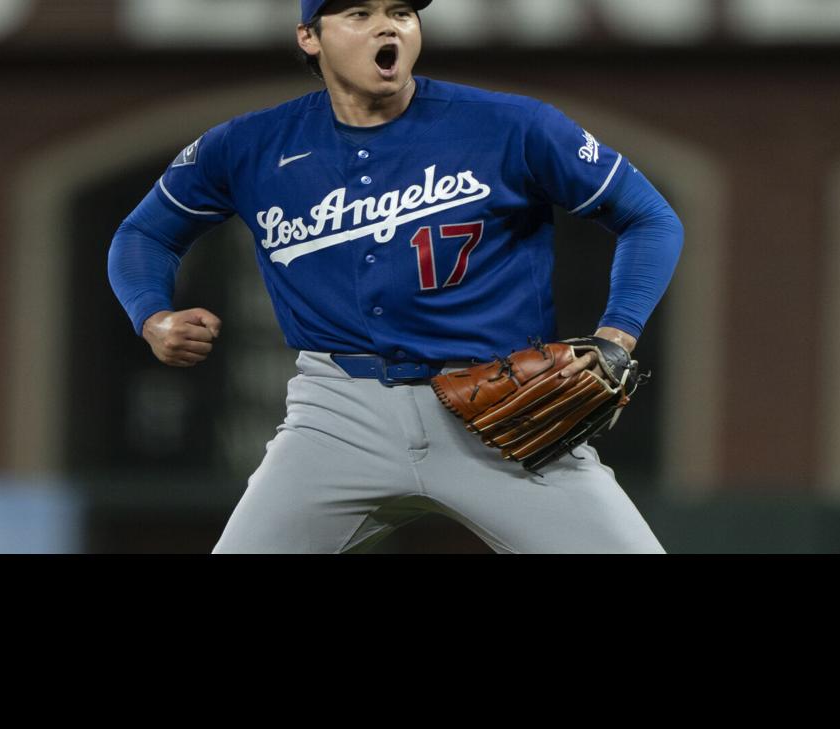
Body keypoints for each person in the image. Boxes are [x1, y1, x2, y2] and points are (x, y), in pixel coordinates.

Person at [107, 0, 683, 553]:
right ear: (309, 36)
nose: (387, 28)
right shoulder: (247, 145)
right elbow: (144, 234)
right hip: (336, 415)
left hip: (501, 407)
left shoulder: (512, 125)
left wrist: (617, 334)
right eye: (359, 13)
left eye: (401, 13)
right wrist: (152, 316)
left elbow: (649, 218)